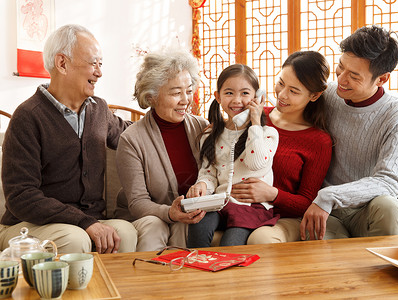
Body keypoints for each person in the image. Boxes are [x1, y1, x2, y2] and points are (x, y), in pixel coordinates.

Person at [0, 24, 137, 254]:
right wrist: (84, 222)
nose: (99, 72)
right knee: (75, 240)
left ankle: (113, 292)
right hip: (28, 226)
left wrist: (182, 122)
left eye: (100, 64)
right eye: (93, 63)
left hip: (86, 222)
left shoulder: (99, 110)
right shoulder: (28, 117)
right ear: (62, 63)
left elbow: (132, 135)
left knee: (125, 233)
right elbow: (21, 196)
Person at [299, 25, 398, 240]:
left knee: (389, 207)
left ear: (381, 79)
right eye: (340, 67)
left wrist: (329, 196)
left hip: (364, 208)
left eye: (353, 75)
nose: (341, 79)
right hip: (328, 213)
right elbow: (285, 114)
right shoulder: (329, 95)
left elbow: (389, 181)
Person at [230, 51, 333, 244]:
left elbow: (307, 202)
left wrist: (272, 194)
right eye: (280, 83)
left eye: (294, 91)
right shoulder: (256, 116)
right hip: (239, 208)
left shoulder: (319, 141)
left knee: (260, 240)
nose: (282, 95)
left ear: (315, 95)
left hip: (284, 217)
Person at [114, 50, 209, 251]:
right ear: (152, 97)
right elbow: (138, 202)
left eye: (189, 90)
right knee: (156, 226)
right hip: (148, 217)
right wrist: (170, 213)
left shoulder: (203, 128)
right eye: (176, 93)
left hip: (190, 216)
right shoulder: (131, 139)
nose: (185, 100)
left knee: (187, 225)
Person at [186, 64, 280, 247]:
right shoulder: (209, 135)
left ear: (257, 98)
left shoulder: (267, 134)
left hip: (250, 206)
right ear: (218, 97)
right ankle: (195, 270)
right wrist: (202, 185)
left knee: (231, 244)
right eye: (229, 93)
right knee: (198, 225)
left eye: (245, 93)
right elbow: (208, 172)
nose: (237, 100)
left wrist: (254, 122)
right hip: (219, 202)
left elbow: (256, 162)